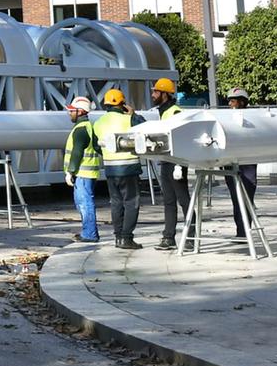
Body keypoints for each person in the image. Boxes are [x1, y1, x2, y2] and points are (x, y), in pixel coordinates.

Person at [92, 88, 143, 249]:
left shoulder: (98, 123)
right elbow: (146, 129)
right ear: (123, 104)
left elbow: (96, 146)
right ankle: (127, 238)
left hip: (110, 169)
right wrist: (134, 114)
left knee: (116, 203)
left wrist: (108, 154)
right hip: (128, 168)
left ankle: (118, 237)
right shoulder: (128, 120)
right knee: (131, 202)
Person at [145, 77, 186, 250]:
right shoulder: (163, 112)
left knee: (184, 199)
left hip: (176, 162)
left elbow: (180, 137)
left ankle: (191, 236)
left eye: (156, 91)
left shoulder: (175, 112)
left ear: (165, 94)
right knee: (169, 200)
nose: (153, 94)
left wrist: (179, 164)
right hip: (166, 161)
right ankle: (168, 237)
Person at [62, 95, 99, 243]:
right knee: (83, 203)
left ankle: (89, 234)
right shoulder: (88, 127)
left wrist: (70, 171)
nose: (70, 113)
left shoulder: (81, 130)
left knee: (85, 204)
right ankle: (88, 231)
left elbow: (77, 152)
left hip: (83, 173)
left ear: (80, 112)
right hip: (87, 173)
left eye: (72, 110)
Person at [223, 88, 259, 238]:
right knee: (236, 199)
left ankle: (245, 231)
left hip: (248, 163)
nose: (230, 104)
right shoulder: (227, 118)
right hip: (231, 162)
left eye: (233, 101)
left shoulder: (253, 120)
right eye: (229, 101)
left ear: (242, 102)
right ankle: (241, 232)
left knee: (246, 197)